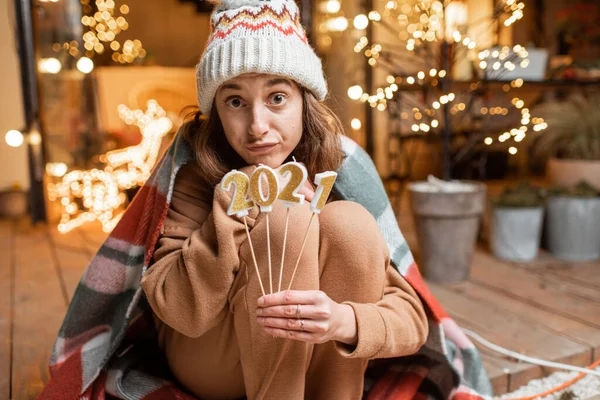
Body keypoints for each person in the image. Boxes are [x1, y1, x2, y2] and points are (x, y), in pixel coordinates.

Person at [138, 0, 429, 398]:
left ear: (304, 102)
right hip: (213, 359)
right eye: (235, 101)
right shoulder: (193, 171)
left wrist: (342, 320)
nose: (257, 127)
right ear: (217, 111)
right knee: (285, 215)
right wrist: (236, 202)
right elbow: (182, 312)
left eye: (277, 98)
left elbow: (413, 322)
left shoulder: (337, 167)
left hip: (308, 362)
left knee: (351, 222)